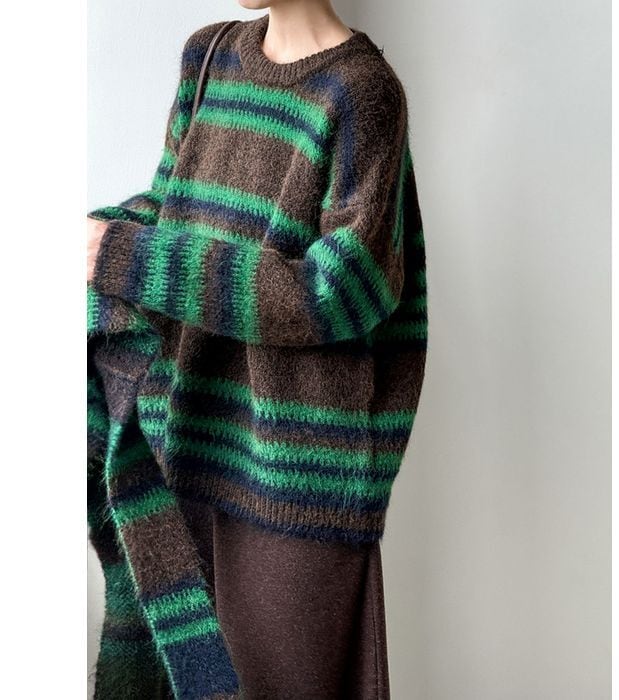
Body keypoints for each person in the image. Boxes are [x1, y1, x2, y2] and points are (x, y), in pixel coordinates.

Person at [87, 1, 427, 698]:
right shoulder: (208, 56)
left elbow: (341, 291)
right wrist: (101, 234)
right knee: (180, 677)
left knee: (286, 684)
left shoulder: (362, 92)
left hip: (294, 466)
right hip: (183, 426)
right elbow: (172, 206)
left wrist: (131, 258)